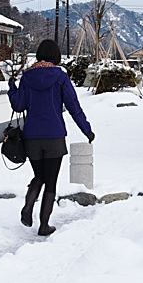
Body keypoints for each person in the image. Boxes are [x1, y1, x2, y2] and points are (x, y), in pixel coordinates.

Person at [8, 39, 95, 236]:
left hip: (31, 137)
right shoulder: (60, 77)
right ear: (55, 56)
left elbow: (19, 105)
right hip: (54, 137)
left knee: (39, 176)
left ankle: (28, 205)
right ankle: (44, 225)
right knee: (51, 181)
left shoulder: (27, 77)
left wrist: (12, 88)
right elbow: (74, 107)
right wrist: (87, 130)